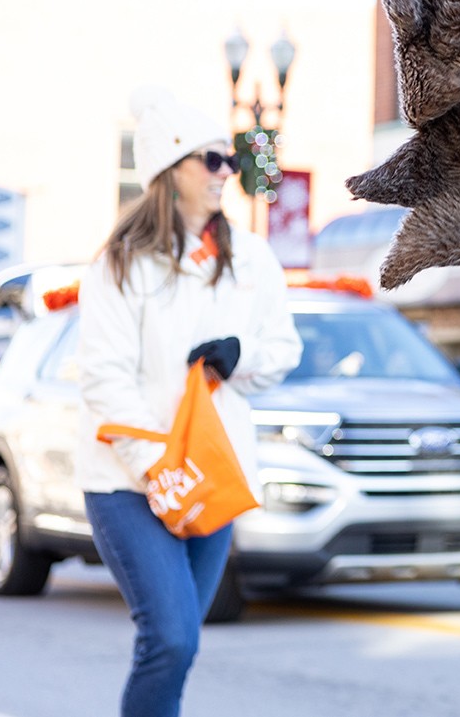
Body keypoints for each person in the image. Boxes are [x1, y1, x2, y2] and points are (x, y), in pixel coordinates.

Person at [79, 87, 302, 717]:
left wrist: (242, 352)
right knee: (170, 637)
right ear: (168, 171)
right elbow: (105, 379)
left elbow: (283, 349)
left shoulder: (252, 260)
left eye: (229, 159)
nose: (227, 172)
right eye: (211, 160)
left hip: (212, 476)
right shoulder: (120, 266)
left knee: (182, 643)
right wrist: (158, 468)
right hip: (128, 481)